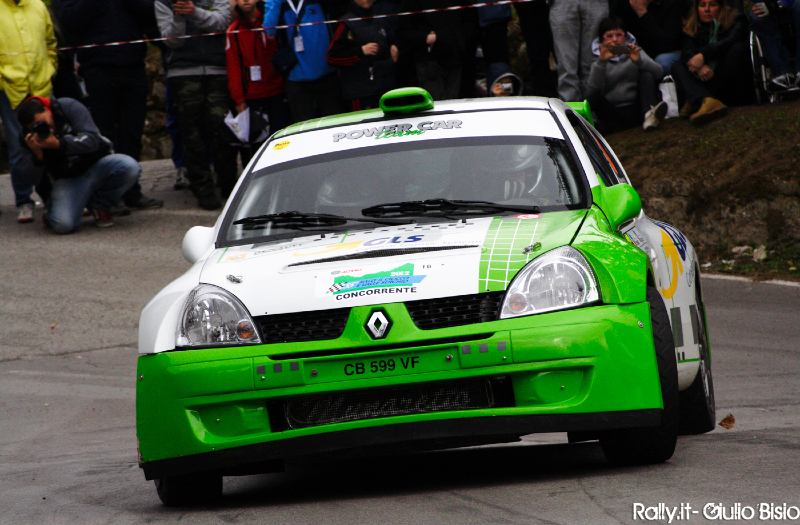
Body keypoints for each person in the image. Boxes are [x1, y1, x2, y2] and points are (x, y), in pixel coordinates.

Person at [60, 0, 164, 212]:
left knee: (132, 133)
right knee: (104, 135)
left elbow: (150, 13)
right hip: (98, 68)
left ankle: (132, 192)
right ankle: (107, 196)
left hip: (133, 66)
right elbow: (69, 22)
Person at [155, 0, 237, 209]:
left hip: (218, 68)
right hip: (182, 71)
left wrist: (194, 12)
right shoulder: (164, 1)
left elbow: (222, 22)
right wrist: (179, 16)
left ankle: (229, 185)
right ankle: (203, 189)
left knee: (221, 127)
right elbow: (172, 40)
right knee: (192, 134)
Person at [17, 96, 140, 233]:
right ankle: (54, 209)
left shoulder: (67, 107)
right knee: (63, 225)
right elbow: (31, 179)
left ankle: (99, 204)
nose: (45, 129)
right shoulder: (27, 139)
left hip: (96, 165)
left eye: (43, 123)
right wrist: (38, 157)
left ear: (47, 110)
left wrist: (59, 144)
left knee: (129, 166)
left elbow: (92, 140)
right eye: (36, 128)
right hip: (68, 179)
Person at [0, 0, 58, 224]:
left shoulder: (38, 5)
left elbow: (50, 42)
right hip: (11, 90)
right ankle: (24, 201)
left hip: (41, 87)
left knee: (53, 140)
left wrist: (50, 67)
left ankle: (57, 195)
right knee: (18, 148)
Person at [227, 0, 291, 163]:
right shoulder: (233, 31)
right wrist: (239, 99)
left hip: (277, 91)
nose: (246, 0)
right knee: (257, 146)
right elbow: (234, 67)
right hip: (252, 96)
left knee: (282, 140)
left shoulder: (271, 21)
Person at [263, 0, 344, 122]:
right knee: (304, 126)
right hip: (295, 78)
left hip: (327, 73)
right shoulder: (277, 2)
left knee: (333, 123)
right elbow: (269, 29)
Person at [671, 0, 750, 125]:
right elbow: (687, 51)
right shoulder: (692, 25)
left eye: (712, 5)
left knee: (738, 48)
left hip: (726, 79)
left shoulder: (736, 19)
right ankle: (705, 99)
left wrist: (704, 55)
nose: (707, 9)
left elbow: (730, 41)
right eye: (702, 5)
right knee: (677, 66)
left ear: (721, 7)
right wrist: (699, 65)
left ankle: (698, 99)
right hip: (704, 76)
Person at [587, 16, 667, 132]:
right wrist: (602, 61)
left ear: (625, 36)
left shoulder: (634, 50)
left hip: (637, 108)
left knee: (647, 75)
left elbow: (659, 72)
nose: (615, 39)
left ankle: (650, 115)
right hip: (613, 113)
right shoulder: (597, 56)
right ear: (602, 39)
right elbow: (594, 87)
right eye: (609, 36)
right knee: (592, 94)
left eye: (619, 35)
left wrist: (639, 62)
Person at [326, 0, 398, 110]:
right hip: (361, 92)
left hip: (385, 88)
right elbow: (332, 58)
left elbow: (393, 37)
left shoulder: (379, 18)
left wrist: (394, 45)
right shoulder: (345, 23)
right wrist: (360, 51)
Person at [398, 0, 472, 101]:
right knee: (436, 104)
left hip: (455, 59)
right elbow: (402, 31)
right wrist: (425, 38)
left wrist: (459, 41)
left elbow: (470, 22)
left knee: (454, 103)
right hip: (429, 62)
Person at [549, 0, 610, 102]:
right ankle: (569, 109)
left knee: (592, 64)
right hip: (562, 3)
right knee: (566, 67)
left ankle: (591, 107)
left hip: (596, 3)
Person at [614, 0, 687, 74]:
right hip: (636, 47)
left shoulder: (674, 4)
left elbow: (666, 45)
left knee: (662, 61)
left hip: (668, 50)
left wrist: (642, 12)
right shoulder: (628, 3)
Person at [748, 0, 800, 89]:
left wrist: (779, 4)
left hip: (792, 4)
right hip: (768, 8)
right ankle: (781, 74)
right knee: (757, 15)